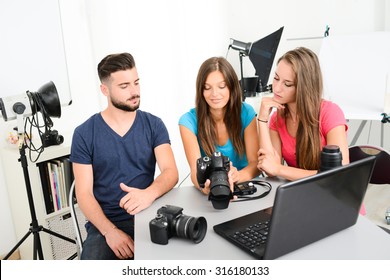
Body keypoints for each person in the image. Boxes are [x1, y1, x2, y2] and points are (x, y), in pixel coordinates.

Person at [70, 52, 178, 260]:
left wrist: (148, 194)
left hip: (148, 212)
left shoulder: (153, 125)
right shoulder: (84, 133)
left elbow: (170, 171)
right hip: (106, 222)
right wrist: (110, 232)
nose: (134, 91)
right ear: (105, 90)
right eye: (124, 86)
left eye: (136, 83)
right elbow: (83, 194)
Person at [257, 47, 350, 181]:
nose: (276, 88)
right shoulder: (277, 119)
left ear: (304, 87)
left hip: (334, 196)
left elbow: (338, 173)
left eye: (287, 84)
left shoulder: (330, 113)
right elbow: (270, 169)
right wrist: (262, 120)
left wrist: (279, 169)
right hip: (301, 194)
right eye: (276, 78)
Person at [179, 56, 260, 195]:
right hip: (213, 188)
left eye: (221, 86)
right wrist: (204, 187)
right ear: (201, 90)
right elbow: (195, 171)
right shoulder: (188, 121)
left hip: (245, 186)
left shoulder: (246, 113)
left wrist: (237, 176)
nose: (214, 94)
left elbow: (256, 164)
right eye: (207, 88)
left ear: (232, 87)